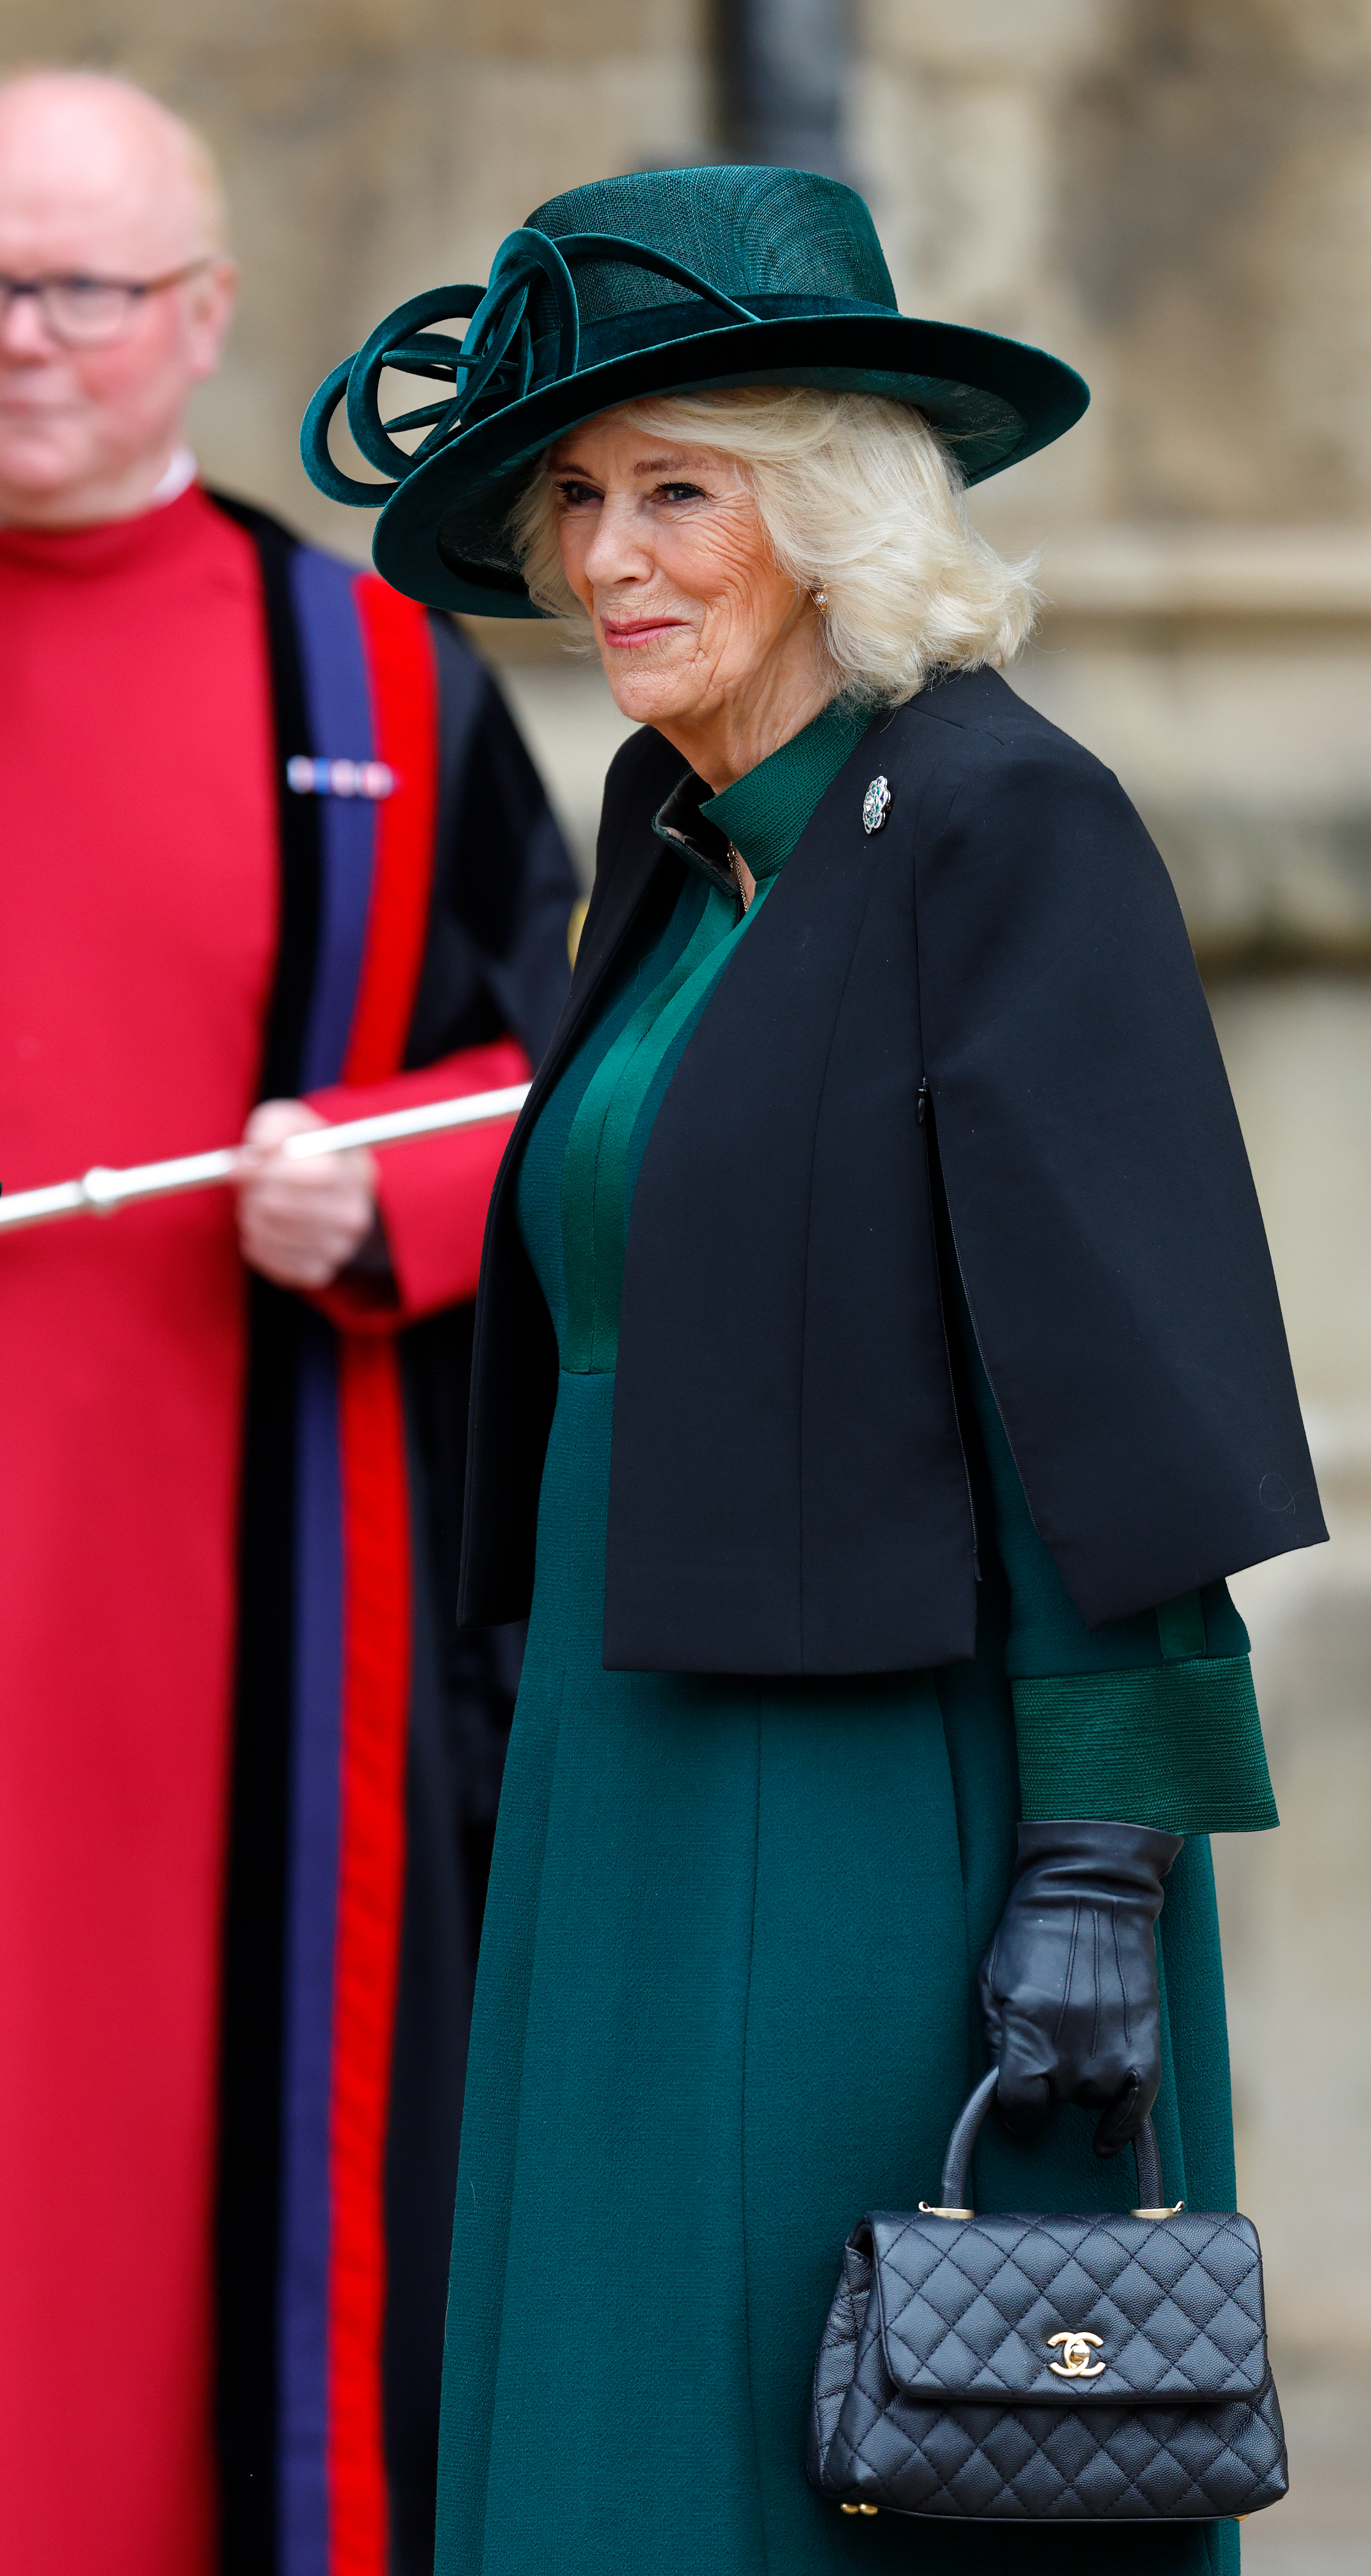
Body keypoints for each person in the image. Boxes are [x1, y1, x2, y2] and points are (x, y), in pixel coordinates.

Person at [304, 164, 1323, 2575]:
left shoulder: (1000, 824)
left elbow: (1117, 1373)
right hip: (619, 1777)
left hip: (898, 1805)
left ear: (829, 506)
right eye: (574, 498)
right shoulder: (670, 841)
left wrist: (1093, 1853)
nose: (609, 555)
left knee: (859, 2451)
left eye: (679, 488)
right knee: (620, 2406)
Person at [0, 70, 576, 2576]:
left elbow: (564, 1077)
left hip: (250, 1610)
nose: (22, 341)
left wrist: (391, 1185)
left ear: (205, 318)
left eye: (86, 289)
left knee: (202, 2183)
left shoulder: (367, 666)